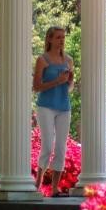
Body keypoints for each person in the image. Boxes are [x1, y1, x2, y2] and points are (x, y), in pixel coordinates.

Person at [33, 26, 74, 197]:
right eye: (58, 37)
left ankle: (55, 188)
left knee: (60, 147)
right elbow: (36, 87)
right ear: (49, 39)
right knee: (48, 145)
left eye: (63, 37)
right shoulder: (43, 60)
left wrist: (69, 81)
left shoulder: (69, 60)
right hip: (46, 106)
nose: (61, 40)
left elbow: (70, 87)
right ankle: (38, 184)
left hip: (64, 106)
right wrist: (57, 81)